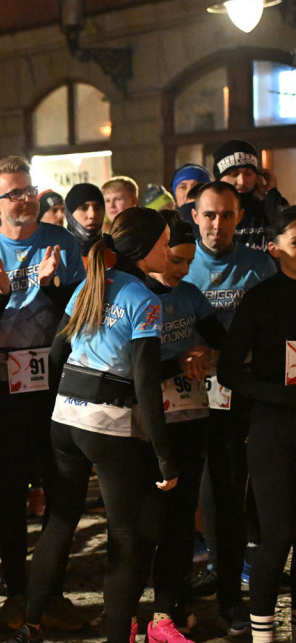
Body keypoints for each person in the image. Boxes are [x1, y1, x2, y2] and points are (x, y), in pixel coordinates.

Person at [9, 207, 178, 643]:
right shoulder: (146, 300)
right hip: (110, 422)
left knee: (60, 522)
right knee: (125, 533)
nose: (169, 248)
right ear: (143, 249)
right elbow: (144, 383)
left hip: (65, 417)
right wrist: (165, 457)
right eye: (163, 241)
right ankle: (118, 635)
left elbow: (56, 354)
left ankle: (30, 625)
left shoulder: (90, 283)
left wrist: (68, 399)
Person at [0, 156, 86, 632]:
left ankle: (51, 590)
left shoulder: (62, 242)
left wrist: (55, 289)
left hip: (54, 382)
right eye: (15, 192)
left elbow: (83, 314)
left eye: (30, 188)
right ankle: (17, 591)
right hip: (1, 387)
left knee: (61, 489)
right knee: (12, 492)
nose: (27, 197)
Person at [181, 181, 276, 636]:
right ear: (194, 216)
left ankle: (231, 599)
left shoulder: (259, 266)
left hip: (240, 395)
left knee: (230, 492)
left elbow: (273, 335)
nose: (217, 224)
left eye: (226, 215)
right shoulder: (179, 262)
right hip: (184, 394)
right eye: (209, 215)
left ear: (240, 217)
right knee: (187, 497)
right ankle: (185, 593)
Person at [146, 210, 227, 642]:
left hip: (191, 414)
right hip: (148, 424)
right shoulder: (136, 292)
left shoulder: (191, 294)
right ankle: (143, 610)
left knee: (181, 519)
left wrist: (203, 352)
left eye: (188, 262)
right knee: (151, 522)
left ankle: (173, 605)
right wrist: (176, 359)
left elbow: (221, 339)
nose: (181, 270)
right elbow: (129, 367)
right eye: (174, 259)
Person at [218, 205, 296, 643]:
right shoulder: (261, 297)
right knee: (278, 535)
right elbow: (230, 372)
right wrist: (281, 395)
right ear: (274, 249)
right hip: (274, 428)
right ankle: (263, 635)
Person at [210, 139, 288, 253]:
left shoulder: (266, 209)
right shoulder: (208, 213)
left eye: (248, 174)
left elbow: (287, 231)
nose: (242, 181)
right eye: (234, 174)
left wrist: (271, 193)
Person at [64, 183, 105, 255]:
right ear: (70, 214)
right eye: (83, 208)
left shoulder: (116, 254)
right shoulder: (55, 255)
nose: (92, 215)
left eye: (97, 208)